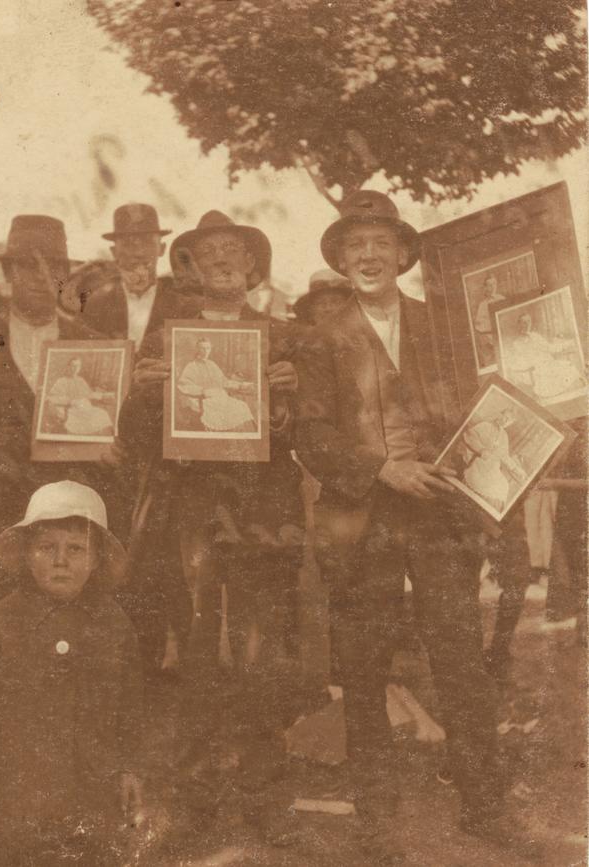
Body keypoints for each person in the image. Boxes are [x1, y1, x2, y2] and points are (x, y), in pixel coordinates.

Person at [295, 190, 540, 862]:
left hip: (440, 516)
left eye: (381, 244)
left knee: (459, 663)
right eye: (356, 247)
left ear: (403, 253)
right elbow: (309, 435)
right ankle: (377, 821)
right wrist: (379, 468)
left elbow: (482, 416)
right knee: (366, 669)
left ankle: (485, 808)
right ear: (342, 260)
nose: (369, 256)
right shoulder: (321, 339)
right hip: (361, 523)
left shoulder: (447, 327)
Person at [118, 209, 304, 844]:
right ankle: (196, 794)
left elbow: (308, 437)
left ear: (254, 268)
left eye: (236, 251)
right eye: (209, 252)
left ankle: (260, 796)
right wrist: (144, 393)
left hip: (264, 516)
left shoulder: (284, 337)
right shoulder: (167, 338)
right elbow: (133, 440)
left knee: (261, 647)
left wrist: (290, 399)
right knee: (199, 644)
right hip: (191, 516)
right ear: (191, 267)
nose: (224, 260)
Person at [0, 481, 143, 866]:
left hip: (90, 782)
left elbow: (131, 704)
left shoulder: (113, 624)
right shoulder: (1, 621)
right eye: (46, 548)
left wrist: (131, 768)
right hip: (18, 783)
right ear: (25, 556)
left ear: (97, 559)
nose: (60, 561)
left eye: (75, 549)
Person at [0, 214, 114, 619]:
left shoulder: (92, 345)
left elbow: (108, 425)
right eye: (27, 265)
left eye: (53, 267)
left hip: (63, 513)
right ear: (9, 273)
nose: (41, 277)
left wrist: (112, 444)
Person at [78, 203, 178, 351]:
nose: (138, 253)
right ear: (114, 252)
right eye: (128, 244)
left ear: (162, 249)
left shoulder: (181, 303)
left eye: (147, 243)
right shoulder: (94, 305)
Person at [176, 337, 255, 431]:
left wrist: (240, 385)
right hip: (204, 399)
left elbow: (224, 382)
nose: (205, 351)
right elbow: (183, 385)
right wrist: (203, 391)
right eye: (202, 348)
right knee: (216, 414)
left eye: (208, 348)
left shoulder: (212, 364)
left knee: (242, 406)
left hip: (219, 397)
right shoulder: (191, 366)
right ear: (197, 349)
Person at [506, 311, 584, 402]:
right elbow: (518, 362)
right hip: (536, 368)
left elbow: (549, 348)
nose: (527, 324)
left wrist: (567, 344)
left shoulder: (535, 336)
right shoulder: (516, 343)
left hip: (548, 363)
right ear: (519, 324)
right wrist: (531, 364)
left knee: (569, 369)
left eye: (528, 321)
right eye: (523, 322)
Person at [460, 408, 526, 515]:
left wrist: (517, 469)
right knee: (482, 481)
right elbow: (469, 435)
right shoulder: (486, 425)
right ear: (500, 414)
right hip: (479, 460)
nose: (505, 421)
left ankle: (487, 513)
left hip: (492, 466)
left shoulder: (504, 436)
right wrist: (482, 450)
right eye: (505, 417)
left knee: (503, 485)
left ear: (510, 423)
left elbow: (504, 456)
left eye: (508, 420)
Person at [46, 356, 115, 436]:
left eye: (77, 366)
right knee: (76, 423)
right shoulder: (61, 381)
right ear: (68, 367)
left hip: (86, 407)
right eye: (73, 365)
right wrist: (69, 401)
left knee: (103, 414)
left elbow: (89, 394)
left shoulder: (81, 380)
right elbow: (53, 397)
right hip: (72, 409)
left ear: (80, 368)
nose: (75, 368)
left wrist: (104, 395)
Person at [473, 273, 505, 367]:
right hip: (490, 339)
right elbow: (478, 325)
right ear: (486, 287)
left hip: (503, 335)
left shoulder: (502, 299)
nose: (492, 287)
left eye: (494, 284)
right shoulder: (482, 305)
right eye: (489, 285)